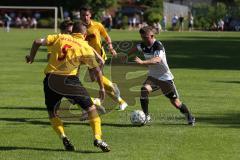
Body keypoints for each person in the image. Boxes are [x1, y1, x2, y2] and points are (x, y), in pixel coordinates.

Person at [25, 21, 110, 152]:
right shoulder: (85, 46)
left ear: (72, 31)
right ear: (84, 33)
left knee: (53, 113)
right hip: (69, 81)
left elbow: (37, 41)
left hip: (50, 80)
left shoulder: (60, 37)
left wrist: (31, 57)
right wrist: (102, 88)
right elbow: (97, 69)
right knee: (92, 109)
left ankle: (63, 136)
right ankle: (97, 138)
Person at [126, 26, 195, 126]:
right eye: (142, 38)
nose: (144, 40)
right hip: (153, 77)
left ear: (152, 36)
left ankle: (190, 117)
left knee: (175, 102)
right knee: (144, 89)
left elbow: (157, 60)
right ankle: (146, 116)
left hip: (165, 78)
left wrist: (142, 62)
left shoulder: (158, 46)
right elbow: (135, 48)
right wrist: (125, 56)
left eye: (146, 37)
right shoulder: (143, 45)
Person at [80, 6, 128, 111]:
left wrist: (110, 47)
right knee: (97, 80)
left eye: (87, 15)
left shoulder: (97, 25)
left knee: (98, 79)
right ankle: (121, 101)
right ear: (80, 15)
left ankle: (111, 87)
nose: (85, 17)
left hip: (99, 57)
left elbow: (106, 36)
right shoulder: (79, 27)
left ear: (90, 15)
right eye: (83, 15)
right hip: (87, 57)